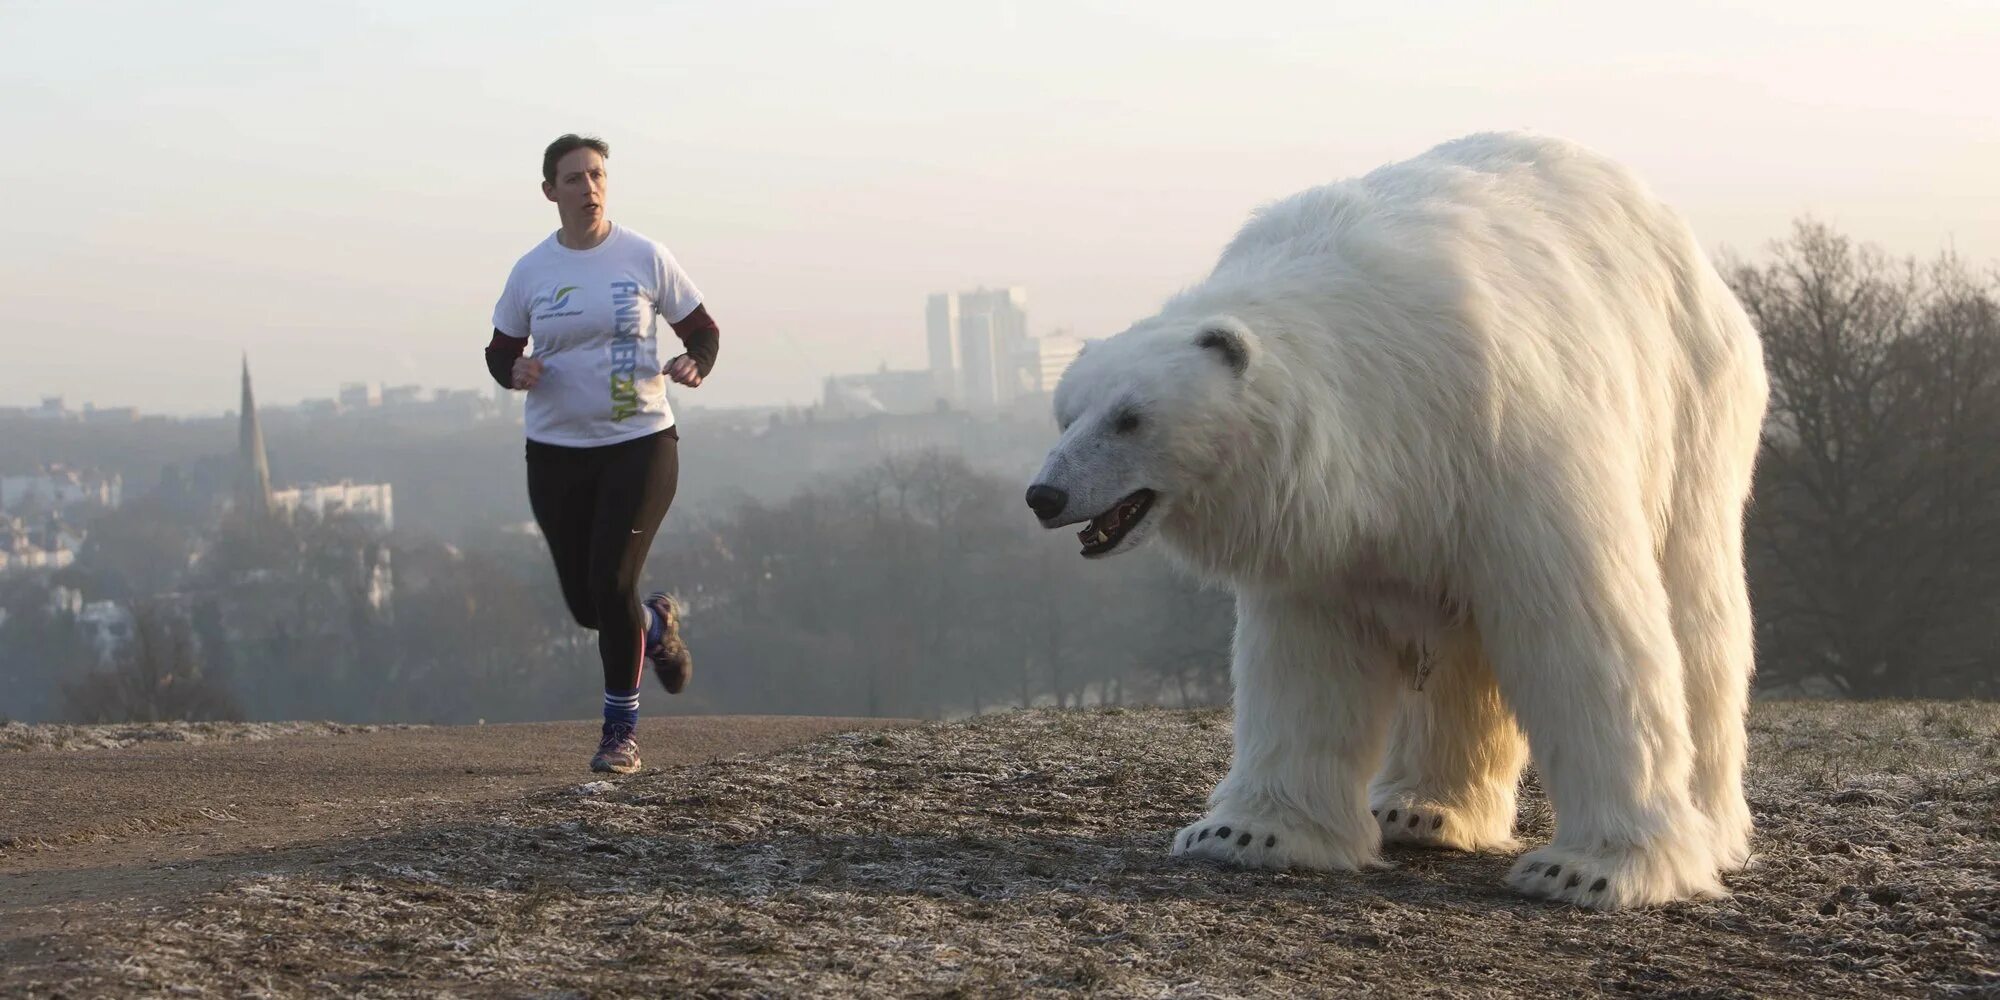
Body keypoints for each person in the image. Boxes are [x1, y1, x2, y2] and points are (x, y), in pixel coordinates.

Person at [484, 133, 719, 775]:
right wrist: (515, 372)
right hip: (557, 453)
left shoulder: (643, 255)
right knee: (590, 605)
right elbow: (500, 350)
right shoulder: (532, 270)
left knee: (611, 578)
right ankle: (656, 621)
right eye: (573, 179)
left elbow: (702, 330)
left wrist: (693, 363)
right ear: (549, 192)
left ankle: (620, 732)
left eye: (596, 176)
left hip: (640, 444)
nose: (588, 189)